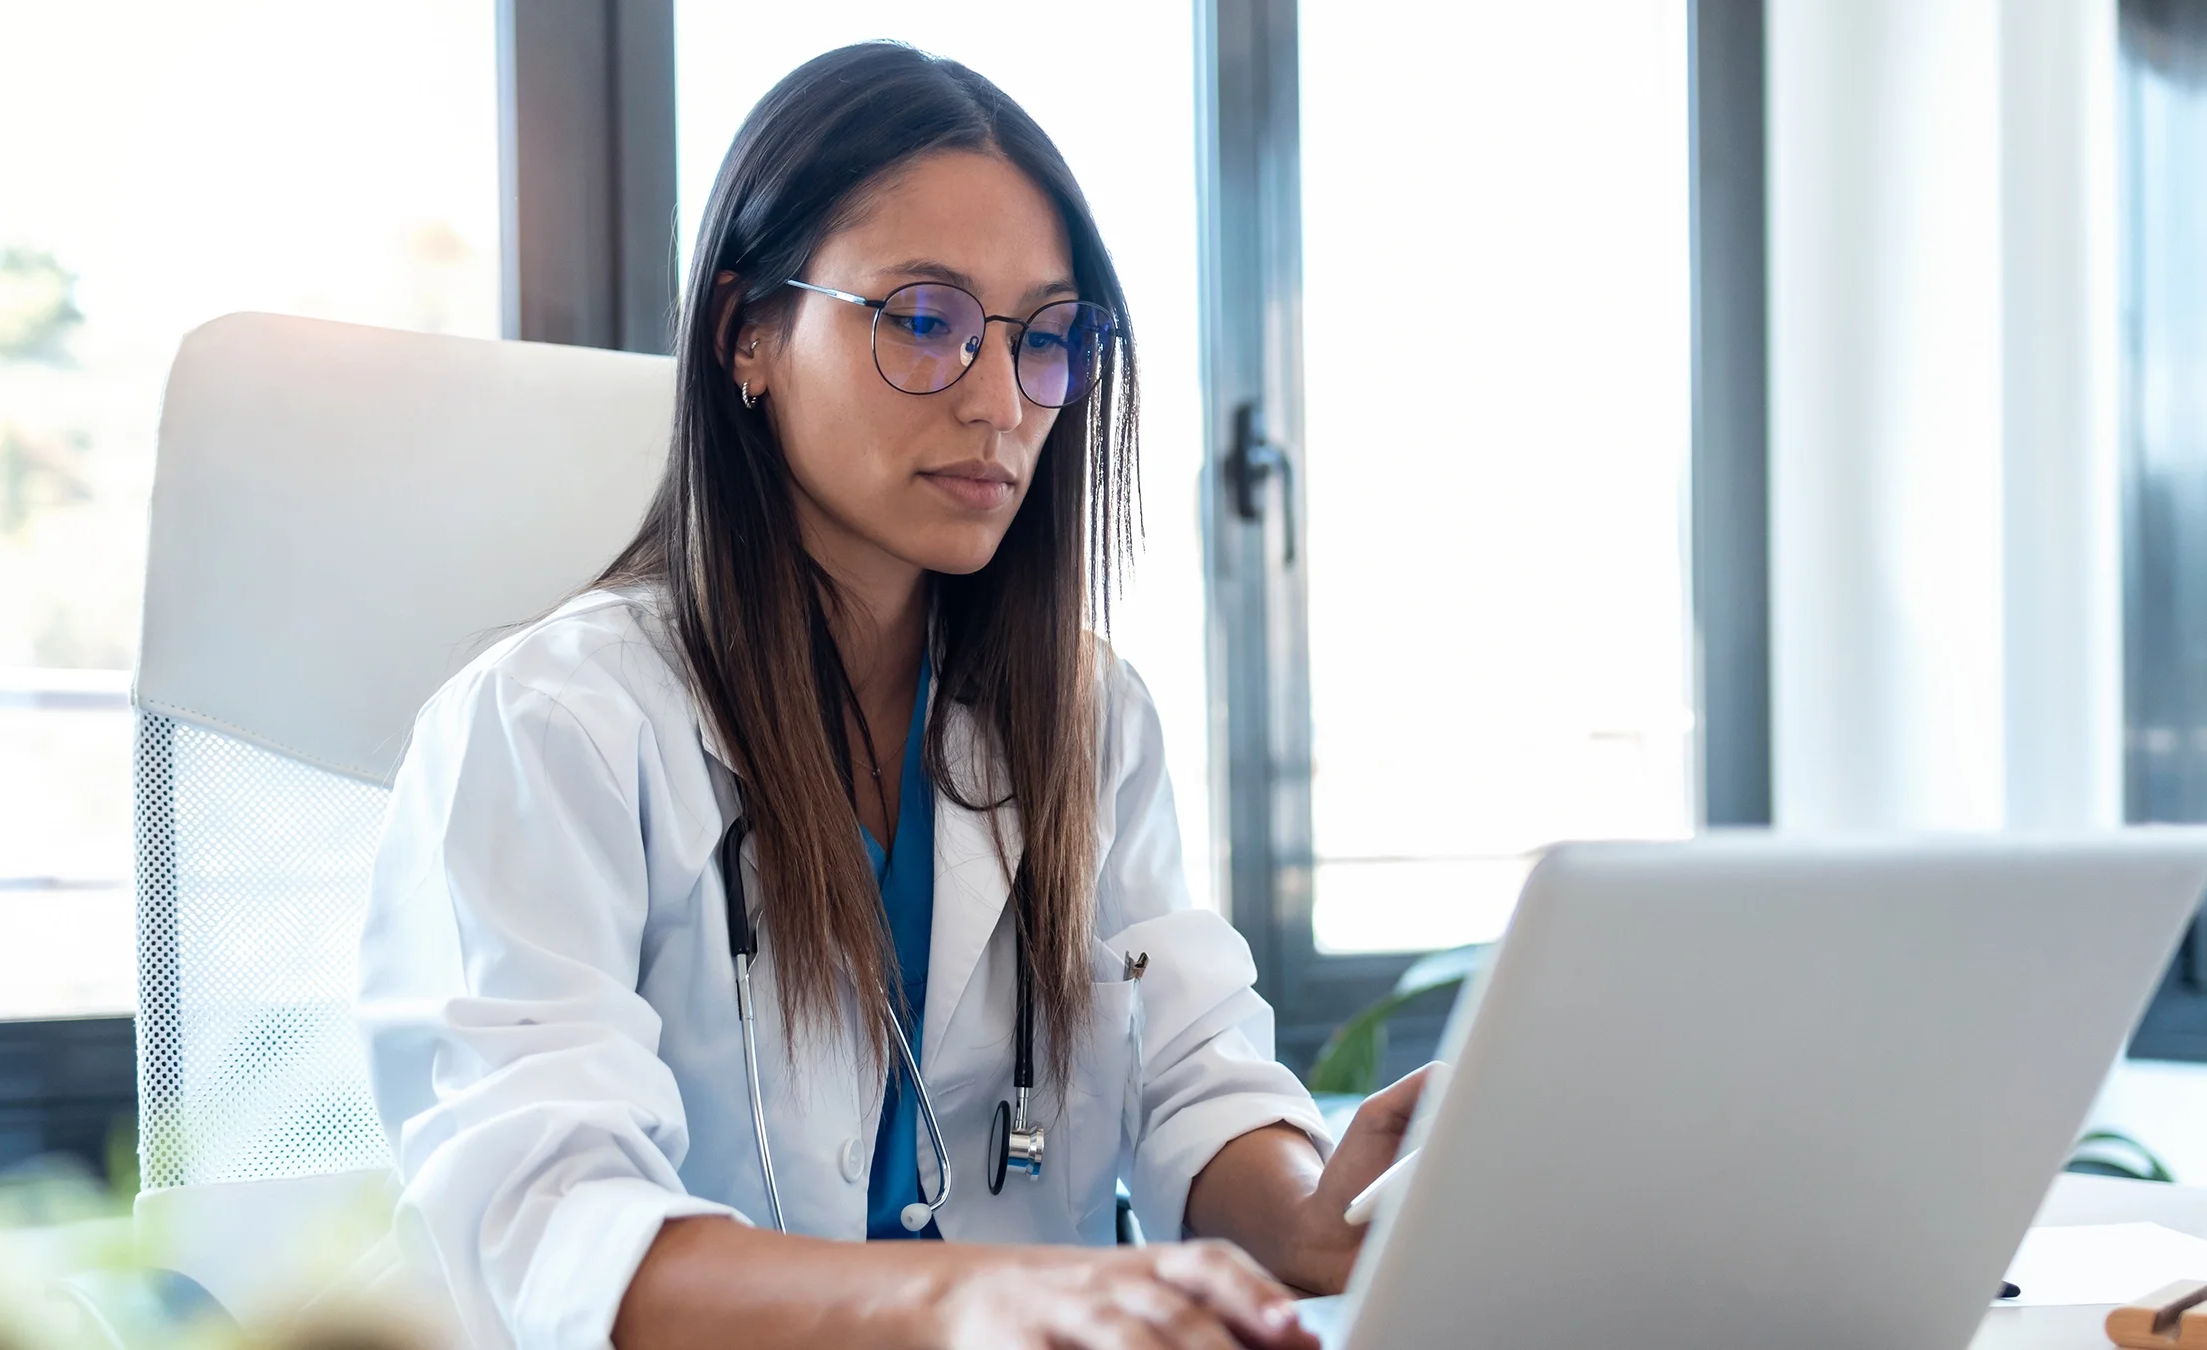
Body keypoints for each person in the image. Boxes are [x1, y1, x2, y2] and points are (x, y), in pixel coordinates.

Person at [357, 40, 1429, 1350]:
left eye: (1045, 338)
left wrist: (1315, 1211)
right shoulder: (550, 728)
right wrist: (974, 1291)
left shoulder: (1088, 715)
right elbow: (548, 1229)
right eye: (924, 320)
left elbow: (1185, 1076)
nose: (999, 403)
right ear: (747, 333)